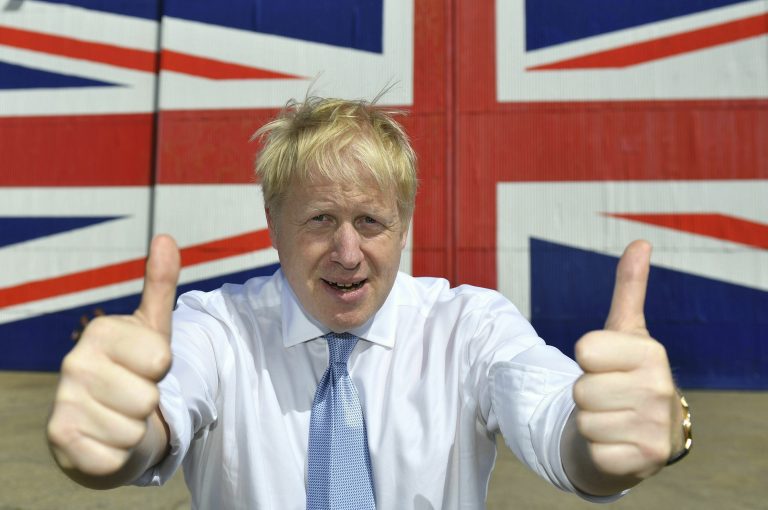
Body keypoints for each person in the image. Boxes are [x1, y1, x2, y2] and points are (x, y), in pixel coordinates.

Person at [47, 97, 691, 509]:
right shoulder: (216, 328)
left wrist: (602, 446)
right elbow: (160, 417)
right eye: (320, 219)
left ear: (405, 224)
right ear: (272, 221)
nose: (347, 252)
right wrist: (122, 439)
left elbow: (557, 423)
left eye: (372, 222)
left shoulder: (468, 326)